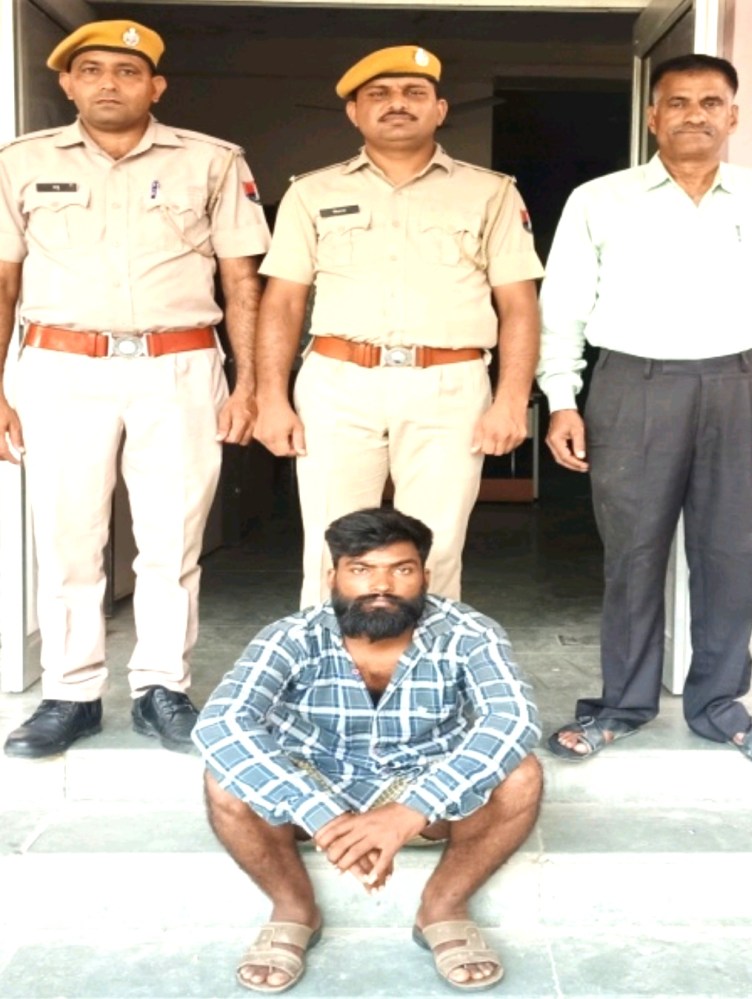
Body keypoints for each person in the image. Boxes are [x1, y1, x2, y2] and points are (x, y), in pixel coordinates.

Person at [0, 20, 270, 758]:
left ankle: (161, 688)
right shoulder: (20, 163)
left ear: (156, 85)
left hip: (177, 366)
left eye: (126, 71)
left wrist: (248, 384)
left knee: (171, 540)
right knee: (67, 540)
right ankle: (70, 693)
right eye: (91, 70)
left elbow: (242, 279)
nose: (108, 84)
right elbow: (4, 282)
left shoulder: (211, 161)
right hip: (61, 367)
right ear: (67, 84)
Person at [537, 53, 752, 769]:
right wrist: (561, 398)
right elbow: (562, 305)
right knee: (634, 552)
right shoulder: (600, 199)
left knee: (730, 553)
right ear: (653, 117)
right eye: (678, 102)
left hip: (740, 383)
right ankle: (622, 703)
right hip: (633, 384)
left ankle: (719, 705)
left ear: (732, 117)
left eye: (710, 102)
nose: (694, 115)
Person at [194, 507, 542, 993]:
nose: (382, 585)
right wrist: (320, 814)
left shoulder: (469, 632)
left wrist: (409, 810)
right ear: (333, 576)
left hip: (421, 787)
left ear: (425, 576)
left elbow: (514, 720)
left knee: (521, 774)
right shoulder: (291, 635)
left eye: (402, 569)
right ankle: (294, 908)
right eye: (361, 569)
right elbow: (222, 722)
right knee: (224, 776)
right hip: (312, 784)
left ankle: (443, 907)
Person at [253, 45, 542, 609]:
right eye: (379, 95)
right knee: (332, 546)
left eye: (414, 93)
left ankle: (427, 662)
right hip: (338, 383)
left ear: (440, 109)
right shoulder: (312, 192)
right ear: (354, 113)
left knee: (437, 547)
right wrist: (271, 397)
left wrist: (511, 400)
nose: (397, 104)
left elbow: (519, 305)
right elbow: (282, 302)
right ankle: (328, 660)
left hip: (449, 386)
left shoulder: (491, 192)